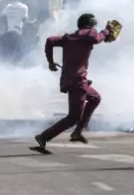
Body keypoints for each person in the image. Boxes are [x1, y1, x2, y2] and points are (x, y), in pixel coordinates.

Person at [30, 13, 121, 153]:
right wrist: (106, 31)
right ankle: (44, 137)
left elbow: (50, 40)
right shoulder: (90, 33)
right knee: (73, 117)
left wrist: (50, 62)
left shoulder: (68, 37)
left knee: (95, 98)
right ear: (91, 24)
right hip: (78, 80)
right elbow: (97, 38)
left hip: (71, 79)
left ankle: (78, 132)